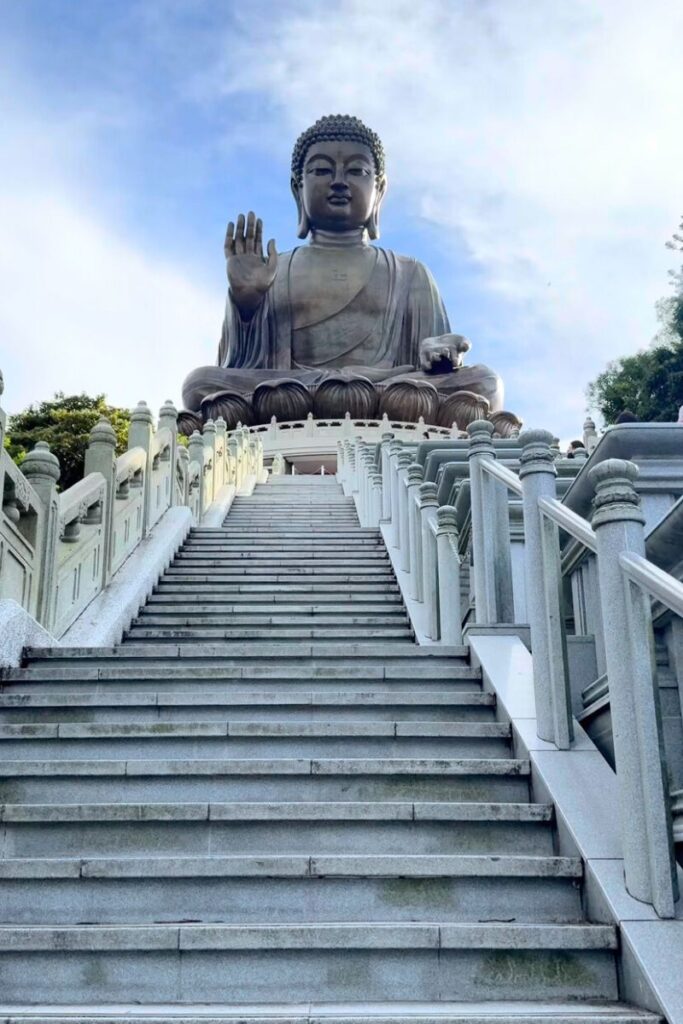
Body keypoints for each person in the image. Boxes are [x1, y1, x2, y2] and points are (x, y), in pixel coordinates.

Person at [181, 114, 504, 426]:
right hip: (295, 389)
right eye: (321, 170)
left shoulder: (409, 272)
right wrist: (247, 304)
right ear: (298, 188)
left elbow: (436, 365)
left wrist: (438, 353)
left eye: (357, 171)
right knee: (199, 384)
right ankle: (344, 393)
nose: (338, 182)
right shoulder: (276, 270)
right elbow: (239, 365)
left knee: (484, 383)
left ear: (380, 189)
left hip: (388, 388)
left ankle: (351, 393)